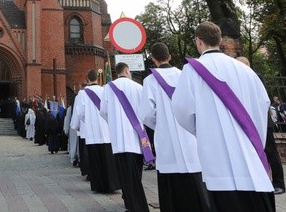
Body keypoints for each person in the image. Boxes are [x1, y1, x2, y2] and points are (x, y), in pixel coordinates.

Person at [172, 22, 275, 211]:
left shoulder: (192, 70)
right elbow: (263, 104)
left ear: (198, 41)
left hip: (217, 156)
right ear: (220, 40)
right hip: (251, 152)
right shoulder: (245, 70)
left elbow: (181, 110)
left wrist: (202, 131)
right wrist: (255, 138)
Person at [138, 42, 211, 212]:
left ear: (153, 59)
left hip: (167, 139)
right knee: (196, 177)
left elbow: (146, 114)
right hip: (190, 135)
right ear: (169, 56)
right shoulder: (184, 75)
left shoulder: (150, 81)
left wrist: (161, 125)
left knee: (171, 182)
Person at [101, 62, 149, 212]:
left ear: (117, 73)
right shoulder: (139, 87)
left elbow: (103, 111)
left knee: (125, 175)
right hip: (137, 138)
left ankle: (131, 203)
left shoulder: (108, 88)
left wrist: (114, 122)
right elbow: (146, 111)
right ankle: (136, 203)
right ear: (127, 71)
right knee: (136, 173)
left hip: (119, 141)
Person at [236, 56, 286, 196]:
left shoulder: (256, 77)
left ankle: (279, 183)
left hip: (263, 122)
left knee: (270, 152)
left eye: (240, 64)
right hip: (249, 122)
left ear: (247, 64)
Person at [72, 69, 120, 195]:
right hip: (107, 132)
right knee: (108, 158)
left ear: (87, 79)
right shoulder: (105, 90)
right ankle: (112, 184)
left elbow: (80, 113)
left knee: (95, 159)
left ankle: (99, 185)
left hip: (92, 133)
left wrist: (85, 122)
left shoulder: (82, 94)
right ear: (98, 78)